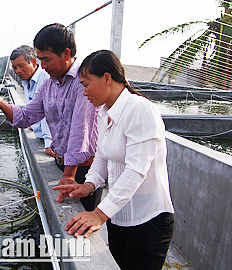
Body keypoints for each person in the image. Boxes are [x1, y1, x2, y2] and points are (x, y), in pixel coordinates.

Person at [53, 50, 175, 270]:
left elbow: (136, 170)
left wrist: (99, 214)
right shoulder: (104, 112)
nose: (84, 92)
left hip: (148, 221)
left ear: (107, 78)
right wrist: (88, 185)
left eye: (86, 84)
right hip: (119, 217)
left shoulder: (139, 109)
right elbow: (102, 155)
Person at [0, 23, 102, 211]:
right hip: (63, 164)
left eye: (47, 59)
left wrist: (69, 176)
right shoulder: (49, 84)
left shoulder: (84, 80)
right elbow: (26, 117)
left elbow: (80, 130)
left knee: (80, 224)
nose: (43, 66)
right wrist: (0, 102)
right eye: (40, 59)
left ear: (66, 54)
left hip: (83, 169)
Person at [10, 45, 53, 156]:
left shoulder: (45, 78)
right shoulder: (26, 80)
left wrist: (49, 143)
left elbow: (48, 112)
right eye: (14, 67)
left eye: (21, 66)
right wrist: (34, 124)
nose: (18, 71)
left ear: (34, 62)